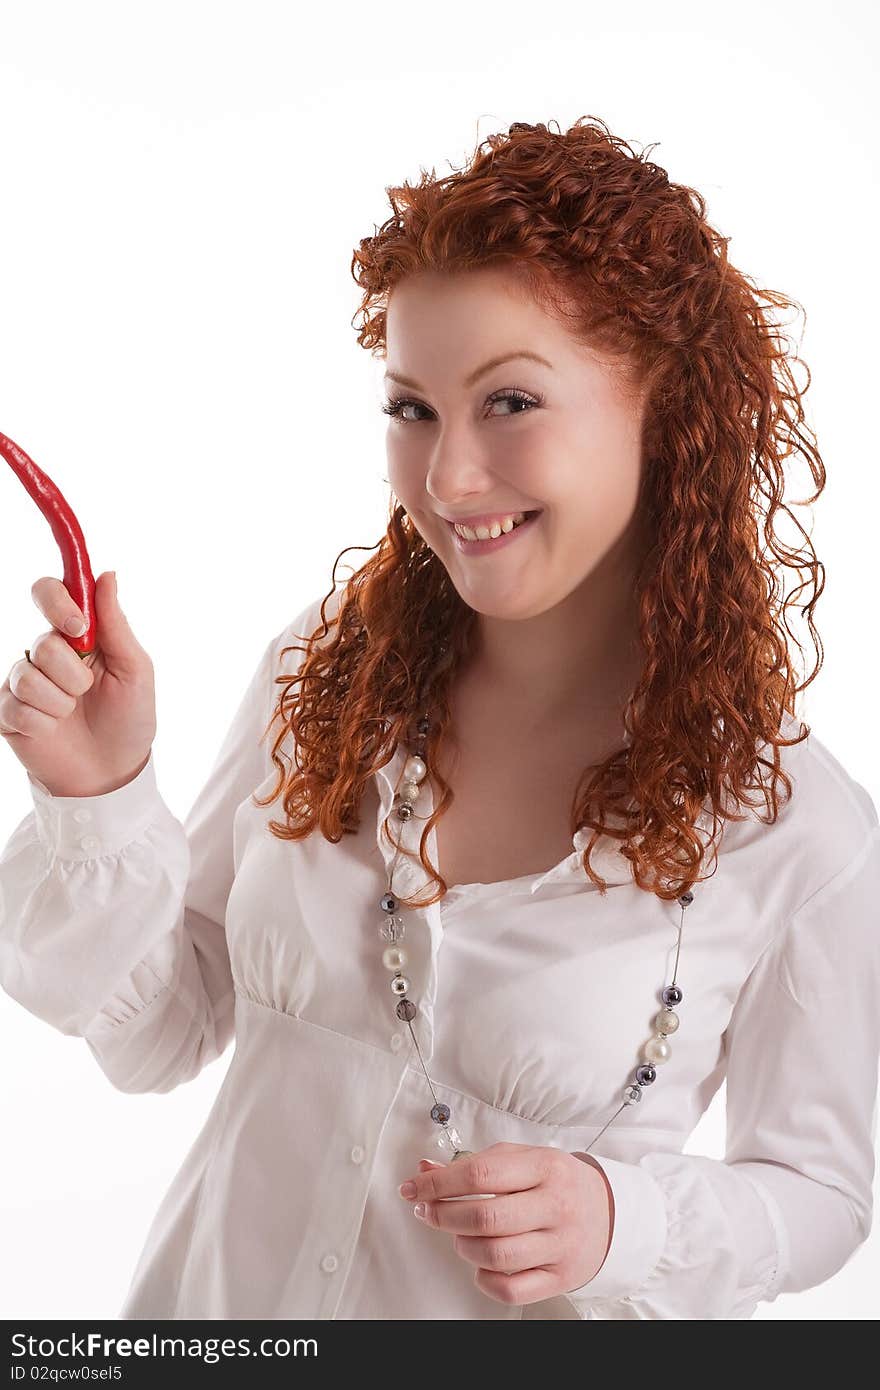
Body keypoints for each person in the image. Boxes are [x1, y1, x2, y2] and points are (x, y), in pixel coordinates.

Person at [0, 115, 878, 1321]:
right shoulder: (323, 675)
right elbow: (163, 1034)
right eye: (411, 408)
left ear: (668, 420)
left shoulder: (793, 829)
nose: (447, 478)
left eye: (508, 401)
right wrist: (96, 795)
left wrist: (624, 1221)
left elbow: (820, 1194)